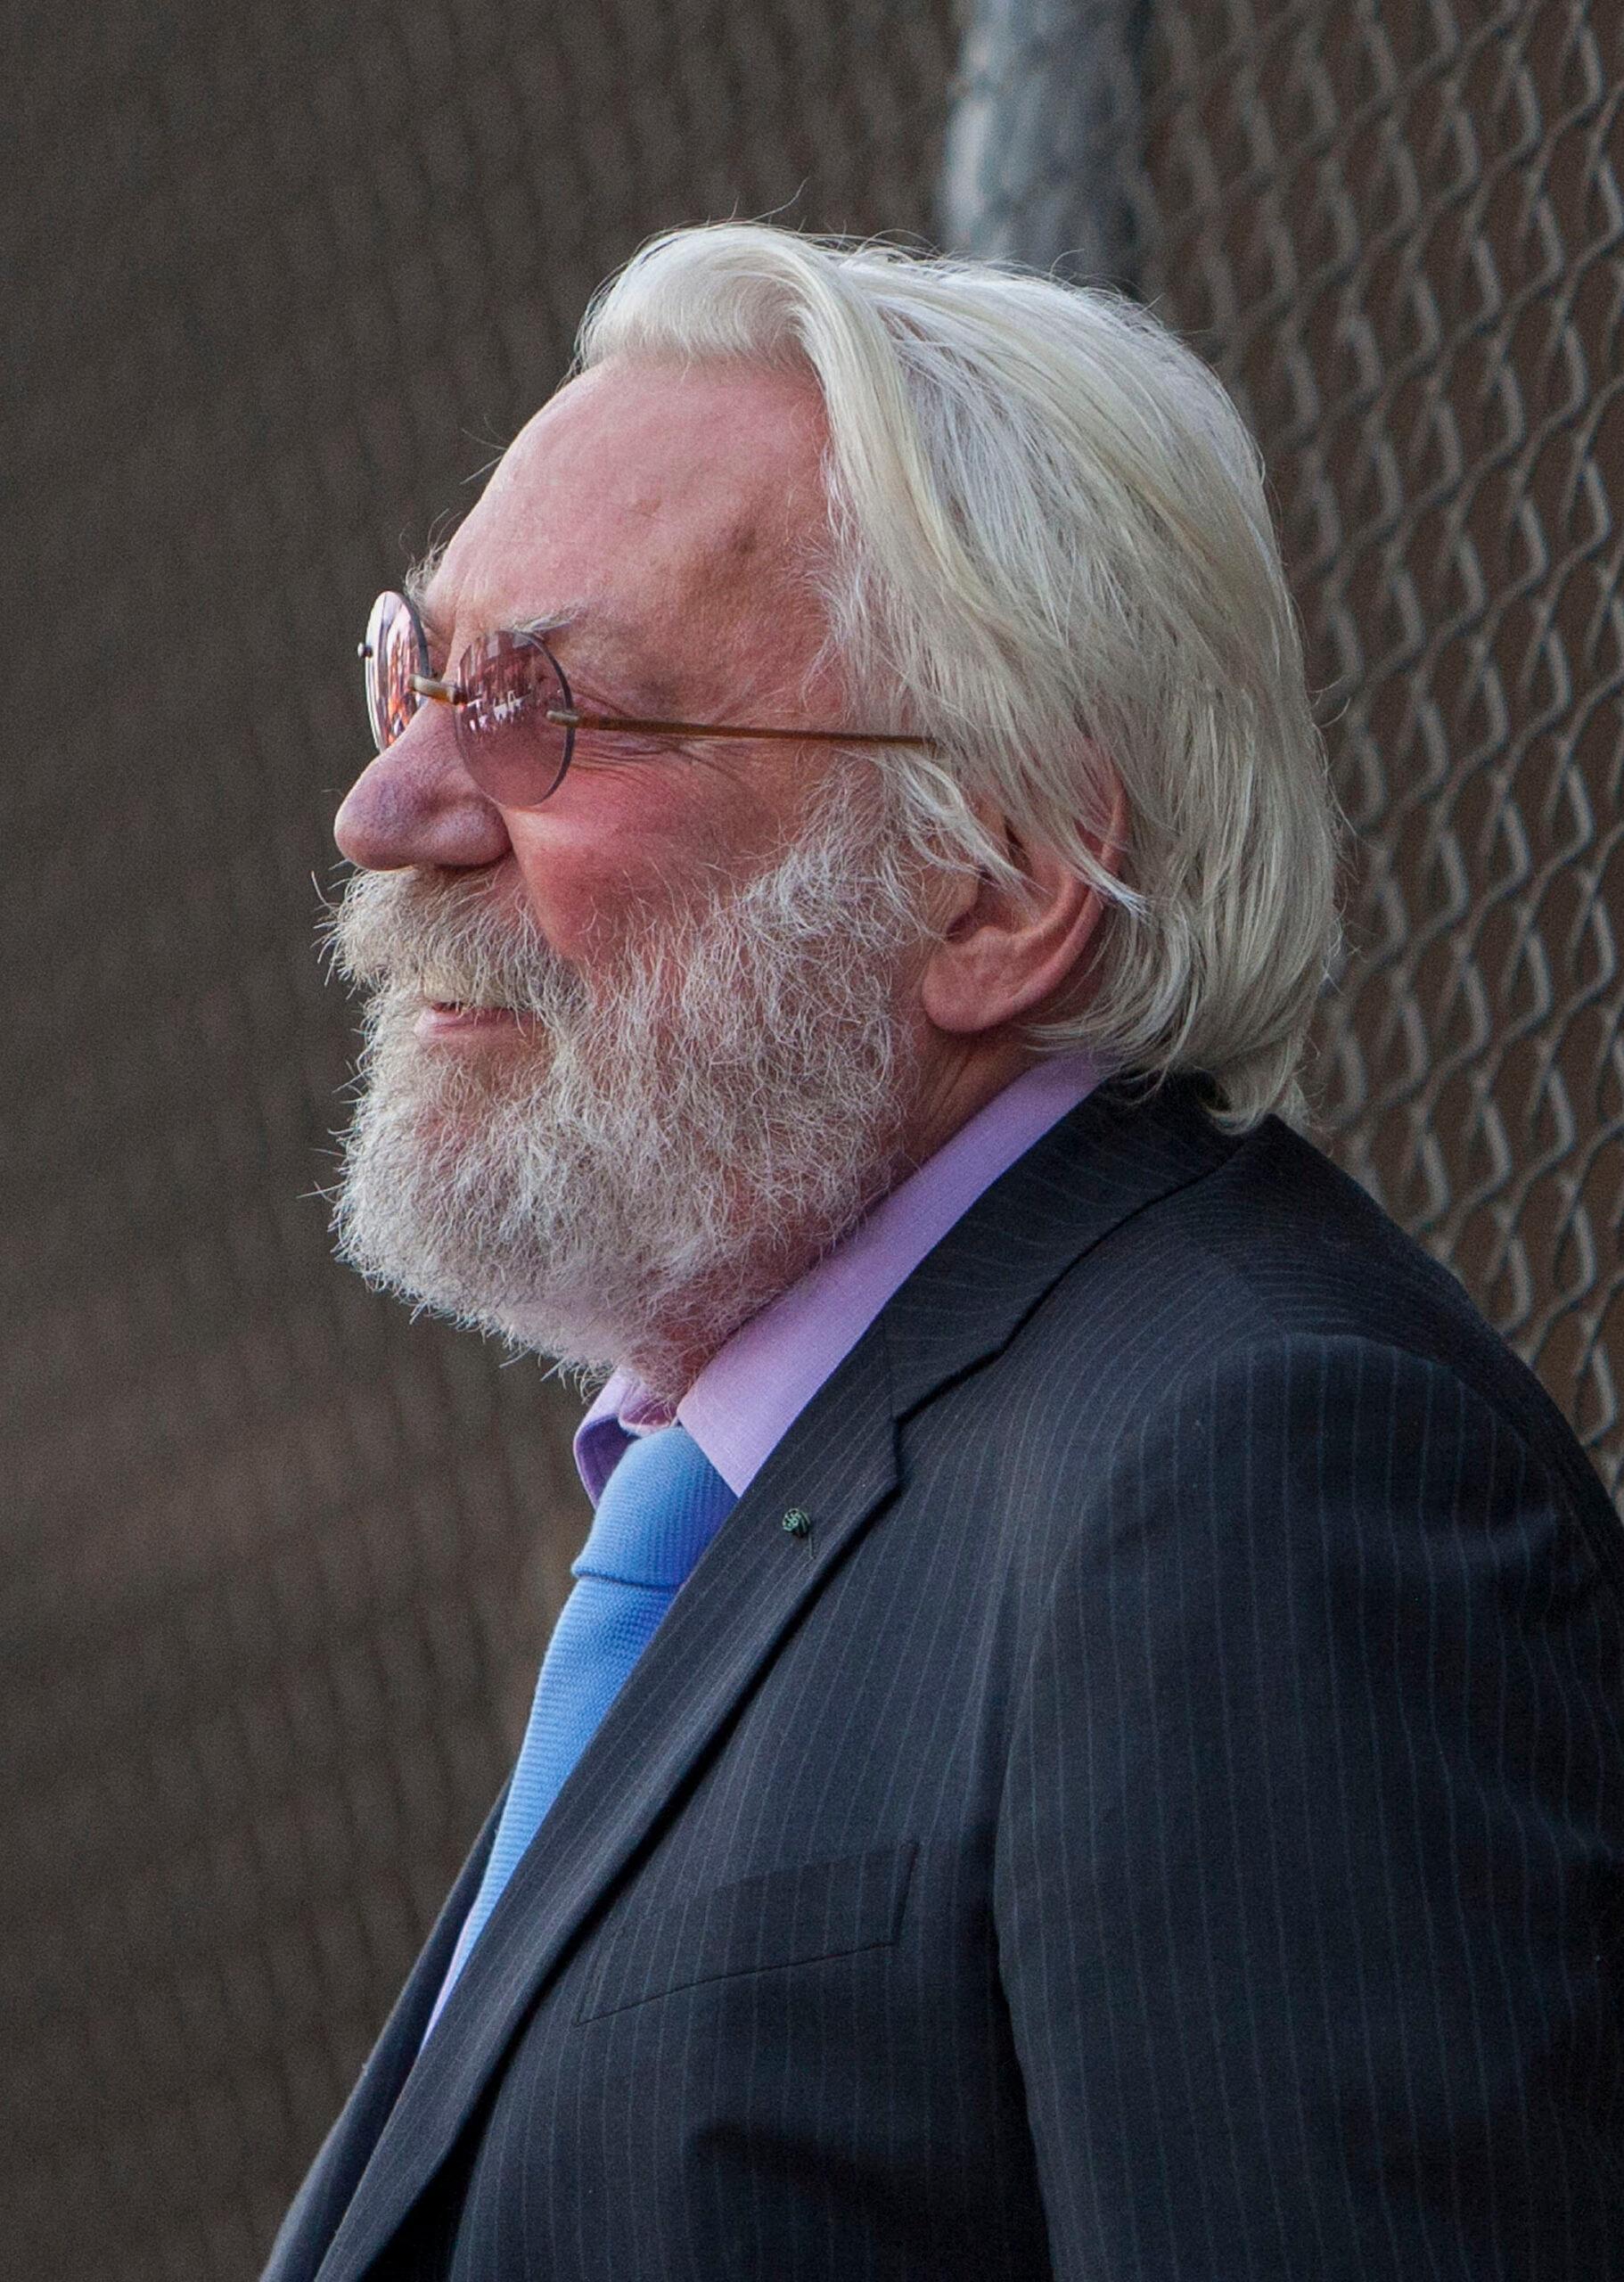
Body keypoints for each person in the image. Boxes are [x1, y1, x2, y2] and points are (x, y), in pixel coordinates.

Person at [266, 224, 1624, 2282]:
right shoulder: (770, 1476)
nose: (387, 808)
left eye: (545, 709)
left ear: (997, 881)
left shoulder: (1253, 1473)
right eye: (413, 672)